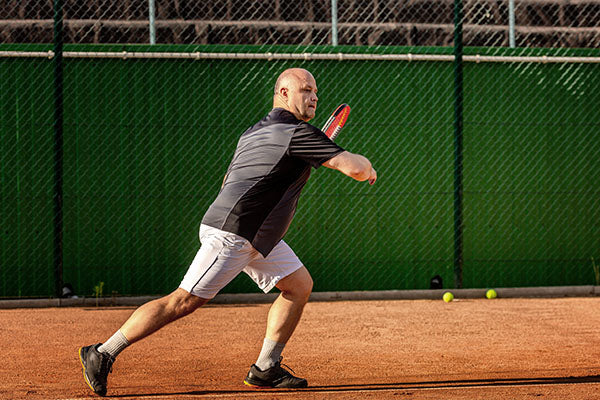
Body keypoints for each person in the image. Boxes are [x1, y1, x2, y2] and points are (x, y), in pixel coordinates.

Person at [78, 67, 377, 396]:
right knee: (183, 301)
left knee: (298, 285)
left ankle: (265, 367)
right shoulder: (298, 133)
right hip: (234, 233)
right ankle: (103, 352)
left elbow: (229, 181)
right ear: (284, 94)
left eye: (315, 91)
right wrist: (369, 167)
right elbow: (356, 168)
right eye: (305, 90)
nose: (314, 96)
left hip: (255, 234)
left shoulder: (253, 132)